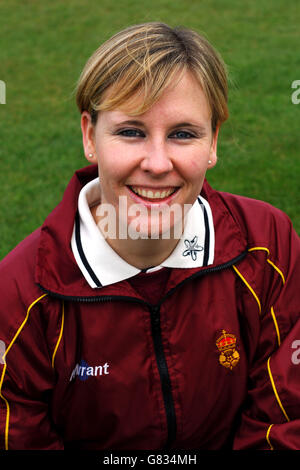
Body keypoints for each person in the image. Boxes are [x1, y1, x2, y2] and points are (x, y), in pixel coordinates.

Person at [0, 22, 299, 451]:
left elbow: (285, 420)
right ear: (90, 135)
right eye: (131, 132)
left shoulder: (269, 246)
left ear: (213, 141)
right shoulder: (18, 296)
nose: (157, 163)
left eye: (182, 134)